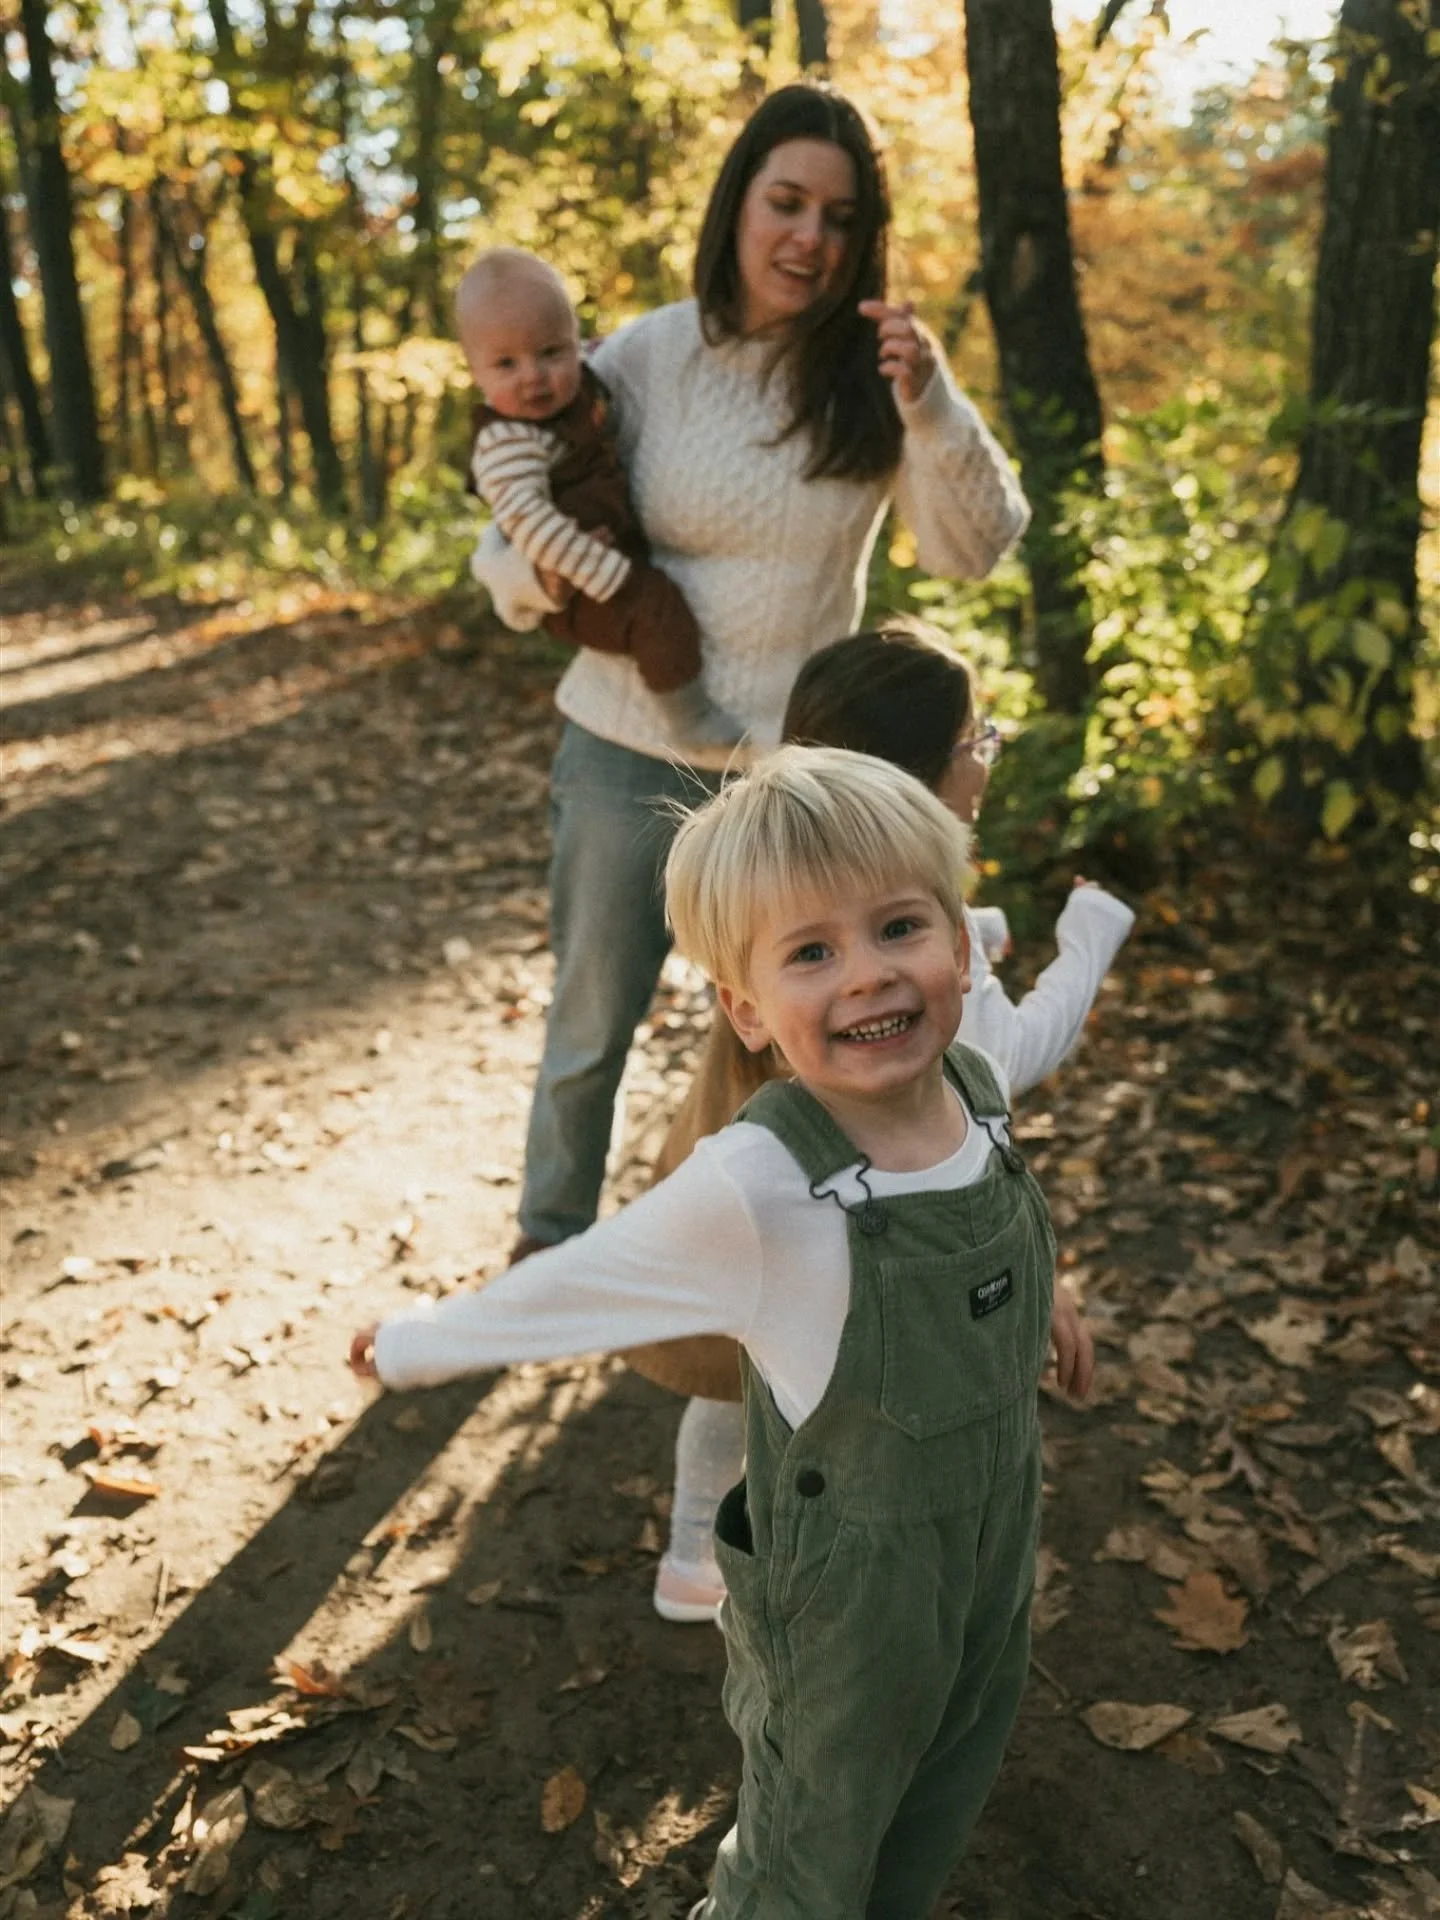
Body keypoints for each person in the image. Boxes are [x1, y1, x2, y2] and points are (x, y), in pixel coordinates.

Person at [352, 746, 1057, 1920]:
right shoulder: (764, 1182)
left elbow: (1002, 1215)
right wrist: (423, 1341)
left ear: (960, 940)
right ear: (748, 1008)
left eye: (899, 928)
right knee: (810, 1843)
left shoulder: (978, 1091)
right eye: (811, 953)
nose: (869, 978)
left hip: (990, 1549)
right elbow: (584, 1279)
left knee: (947, 1773)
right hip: (846, 1606)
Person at [489, 83, 1030, 1280]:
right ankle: (550, 1253)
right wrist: (541, 587)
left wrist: (931, 406)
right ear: (739, 205)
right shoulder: (644, 354)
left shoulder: (877, 377)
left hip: (792, 776)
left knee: (785, 1042)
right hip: (626, 743)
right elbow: (520, 511)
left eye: (840, 218)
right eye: (786, 203)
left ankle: (765, 1264)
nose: (810, 239)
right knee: (592, 1018)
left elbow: (976, 547)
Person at [639, 623, 1133, 1622]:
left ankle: (700, 1546)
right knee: (779, 1380)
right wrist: (1088, 943)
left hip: (743, 1146)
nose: (986, 756)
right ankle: (738, 1556)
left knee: (736, 1368)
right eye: (975, 739)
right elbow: (1000, 1062)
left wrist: (978, 936)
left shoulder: (791, 857)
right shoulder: (908, 892)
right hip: (830, 1195)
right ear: (930, 771)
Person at [456, 247, 740, 744]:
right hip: (580, 579)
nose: (534, 376)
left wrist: (594, 352)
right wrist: (603, 575)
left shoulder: (579, 384)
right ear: (476, 372)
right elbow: (529, 522)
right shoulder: (507, 443)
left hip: (605, 551)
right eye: (506, 363)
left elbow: (590, 362)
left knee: (656, 607)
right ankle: (688, 718)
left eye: (551, 352)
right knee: (657, 608)